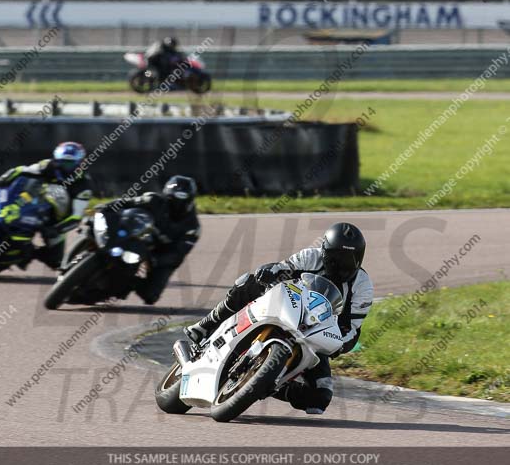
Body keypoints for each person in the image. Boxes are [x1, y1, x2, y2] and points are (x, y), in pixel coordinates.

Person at [186, 222, 373, 415]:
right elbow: (283, 269)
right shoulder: (311, 257)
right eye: (335, 258)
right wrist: (270, 271)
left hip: (315, 335)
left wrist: (338, 344)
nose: (342, 265)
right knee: (248, 283)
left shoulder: (363, 286)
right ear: (324, 252)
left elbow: (351, 329)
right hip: (288, 310)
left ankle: (270, 384)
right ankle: (205, 325)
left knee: (320, 397)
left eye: (349, 260)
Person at [86, 175, 200, 304]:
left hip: (159, 254)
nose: (177, 205)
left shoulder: (192, 227)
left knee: (150, 295)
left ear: (190, 200)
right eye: (172, 200)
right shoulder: (153, 200)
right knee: (98, 221)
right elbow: (126, 202)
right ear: (166, 195)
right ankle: (88, 244)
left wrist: (156, 260)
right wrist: (107, 206)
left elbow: (178, 254)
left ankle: (125, 285)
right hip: (134, 236)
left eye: (182, 202)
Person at [0, 141, 93, 269]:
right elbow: (21, 170)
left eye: (70, 164)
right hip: (30, 202)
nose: (65, 167)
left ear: (80, 163)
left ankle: (28, 253)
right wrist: (0, 180)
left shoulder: (84, 186)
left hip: (55, 220)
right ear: (56, 160)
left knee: (56, 260)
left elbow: (76, 217)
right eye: (62, 162)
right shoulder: (47, 165)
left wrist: (56, 229)